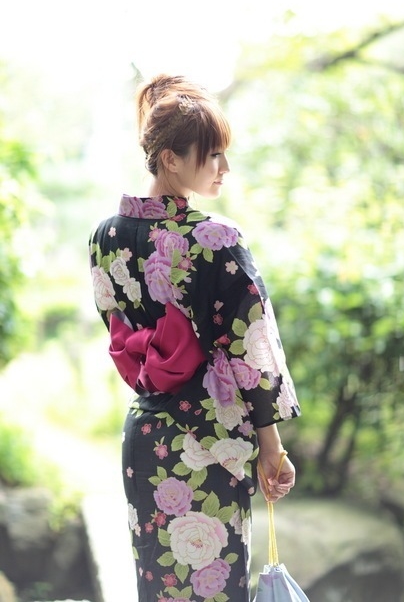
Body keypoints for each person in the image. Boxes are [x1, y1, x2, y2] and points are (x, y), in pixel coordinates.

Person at [89, 73, 301, 602]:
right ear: (170, 158)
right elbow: (252, 347)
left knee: (158, 587)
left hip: (145, 435)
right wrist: (271, 446)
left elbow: (118, 328)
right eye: (213, 155)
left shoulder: (105, 236)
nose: (224, 168)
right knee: (216, 589)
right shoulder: (215, 239)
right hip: (209, 441)